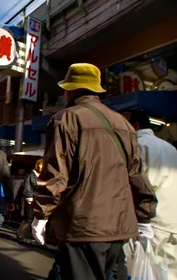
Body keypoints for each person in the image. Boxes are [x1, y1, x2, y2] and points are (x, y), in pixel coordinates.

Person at [31, 63, 157, 280]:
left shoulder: (66, 118)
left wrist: (41, 215)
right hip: (119, 226)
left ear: (72, 89)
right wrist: (145, 215)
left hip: (83, 225)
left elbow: (56, 173)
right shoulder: (123, 124)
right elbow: (137, 173)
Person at [127, 110, 177, 280]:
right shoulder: (170, 148)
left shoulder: (137, 145)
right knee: (169, 272)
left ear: (135, 126)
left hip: (151, 222)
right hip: (173, 221)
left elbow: (138, 183)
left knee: (143, 270)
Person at [16, 158, 45, 241]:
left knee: (37, 218)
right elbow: (27, 187)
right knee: (28, 218)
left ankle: (36, 236)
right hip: (31, 199)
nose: (41, 166)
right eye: (40, 164)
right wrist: (29, 199)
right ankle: (20, 234)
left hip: (39, 200)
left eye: (43, 164)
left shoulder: (42, 176)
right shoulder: (31, 175)